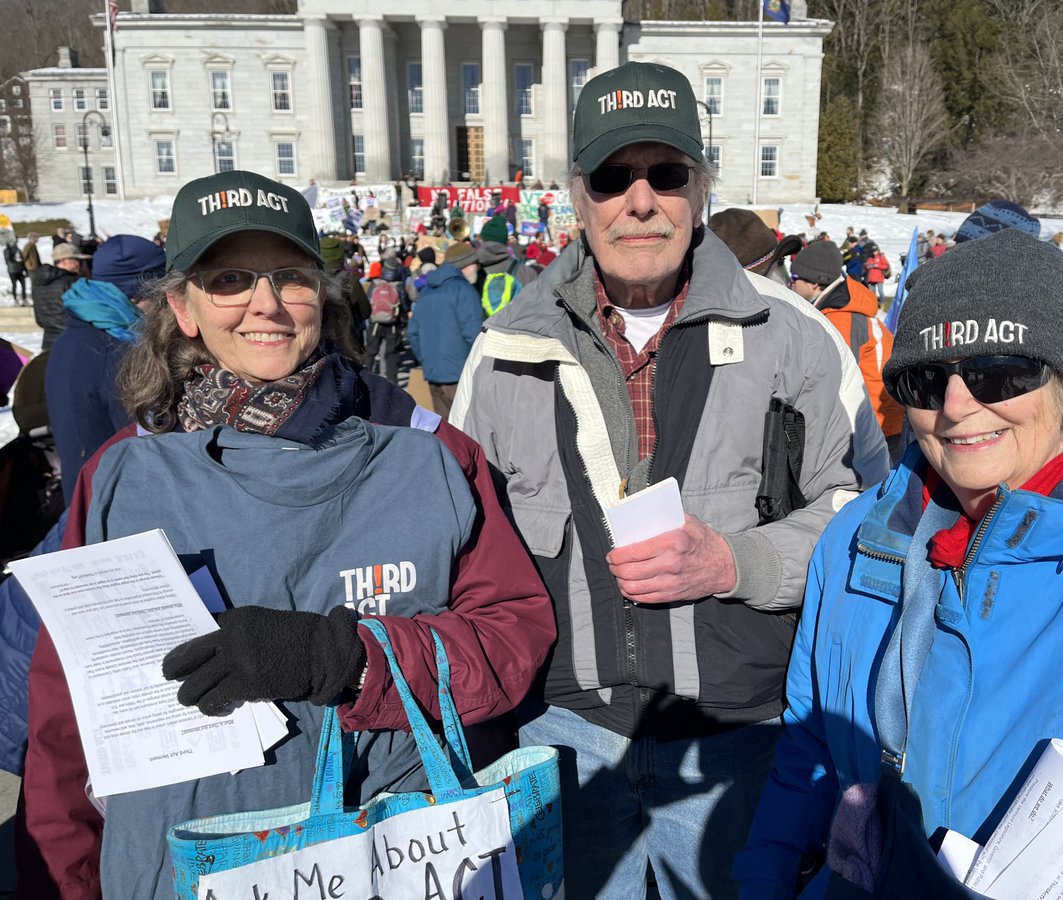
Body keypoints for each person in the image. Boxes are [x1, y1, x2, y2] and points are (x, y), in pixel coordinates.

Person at [19, 170, 555, 900]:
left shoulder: (431, 456)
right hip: (183, 867)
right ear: (182, 307)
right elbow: (67, 719)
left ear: (321, 297)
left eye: (289, 277)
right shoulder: (121, 479)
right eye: (230, 279)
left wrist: (347, 659)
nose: (265, 305)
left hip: (390, 859)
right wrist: (60, 880)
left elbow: (511, 643)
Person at [451, 61, 867, 899]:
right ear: (578, 196)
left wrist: (738, 563)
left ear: (701, 188)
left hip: (736, 739)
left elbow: (864, 519)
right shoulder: (503, 350)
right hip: (559, 742)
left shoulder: (793, 336)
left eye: (665, 174)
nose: (640, 201)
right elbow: (464, 551)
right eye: (613, 176)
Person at [738, 228, 1063, 898]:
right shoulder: (851, 544)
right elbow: (807, 751)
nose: (956, 408)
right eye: (926, 381)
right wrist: (765, 878)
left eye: (997, 373)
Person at [706, 210, 890, 484]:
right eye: (778, 263)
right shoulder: (725, 330)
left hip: (875, 424)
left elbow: (835, 399)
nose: (787, 275)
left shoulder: (819, 322)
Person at [45, 235, 164, 502]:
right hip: (114, 513)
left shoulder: (74, 334)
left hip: (84, 500)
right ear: (139, 296)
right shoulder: (119, 352)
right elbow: (148, 448)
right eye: (162, 297)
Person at [790, 240, 905, 464]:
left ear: (815, 284)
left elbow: (834, 378)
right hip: (874, 417)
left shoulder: (842, 318)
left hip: (879, 420)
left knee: (874, 492)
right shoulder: (837, 310)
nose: (790, 284)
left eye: (795, 279)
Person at [408, 241, 484, 417]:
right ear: (465, 264)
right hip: (460, 375)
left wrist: (427, 359)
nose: (478, 268)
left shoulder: (426, 291)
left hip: (433, 373)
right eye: (475, 263)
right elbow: (473, 335)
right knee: (466, 433)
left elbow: (413, 333)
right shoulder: (464, 290)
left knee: (446, 434)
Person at [32, 242, 89, 354]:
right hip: (74, 343)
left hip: (48, 344)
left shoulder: (39, 283)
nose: (81, 264)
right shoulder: (73, 282)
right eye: (77, 260)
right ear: (64, 260)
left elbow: (40, 320)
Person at [4, 240, 26, 305]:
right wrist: (10, 249)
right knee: (14, 285)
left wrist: (25, 269)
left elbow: (22, 260)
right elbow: (8, 258)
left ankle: (24, 299)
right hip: (12, 270)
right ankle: (15, 299)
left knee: (24, 285)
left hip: (20, 270)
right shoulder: (7, 250)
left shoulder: (18, 249)